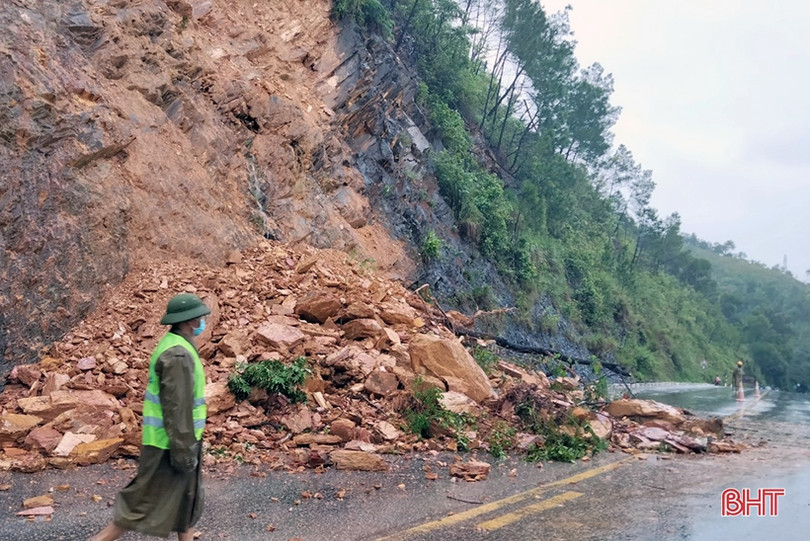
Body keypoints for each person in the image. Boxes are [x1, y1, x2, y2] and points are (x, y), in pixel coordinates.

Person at [90, 293, 211, 541]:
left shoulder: (177, 344)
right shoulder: (177, 355)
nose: (203, 322)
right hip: (169, 445)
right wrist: (183, 450)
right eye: (201, 318)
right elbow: (177, 409)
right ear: (189, 321)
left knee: (185, 502)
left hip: (177, 441)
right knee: (140, 505)